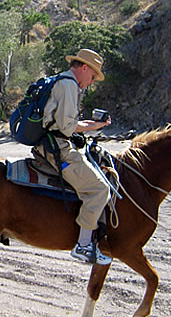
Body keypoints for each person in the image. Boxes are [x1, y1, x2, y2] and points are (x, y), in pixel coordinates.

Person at [34, 48, 113, 265]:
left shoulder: (62, 81)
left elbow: (66, 123)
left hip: (53, 142)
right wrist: (90, 127)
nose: (92, 82)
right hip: (58, 148)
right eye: (93, 76)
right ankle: (83, 244)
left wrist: (92, 124)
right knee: (100, 188)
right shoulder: (69, 85)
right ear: (85, 68)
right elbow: (67, 127)